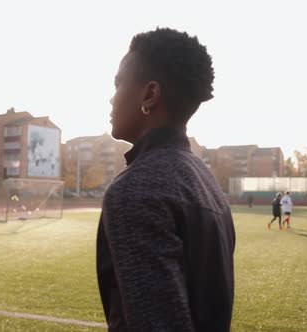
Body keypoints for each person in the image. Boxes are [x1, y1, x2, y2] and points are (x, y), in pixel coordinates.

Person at [96, 28, 235, 331]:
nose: (112, 97)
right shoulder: (206, 181)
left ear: (149, 94)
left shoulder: (135, 189)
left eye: (118, 83)